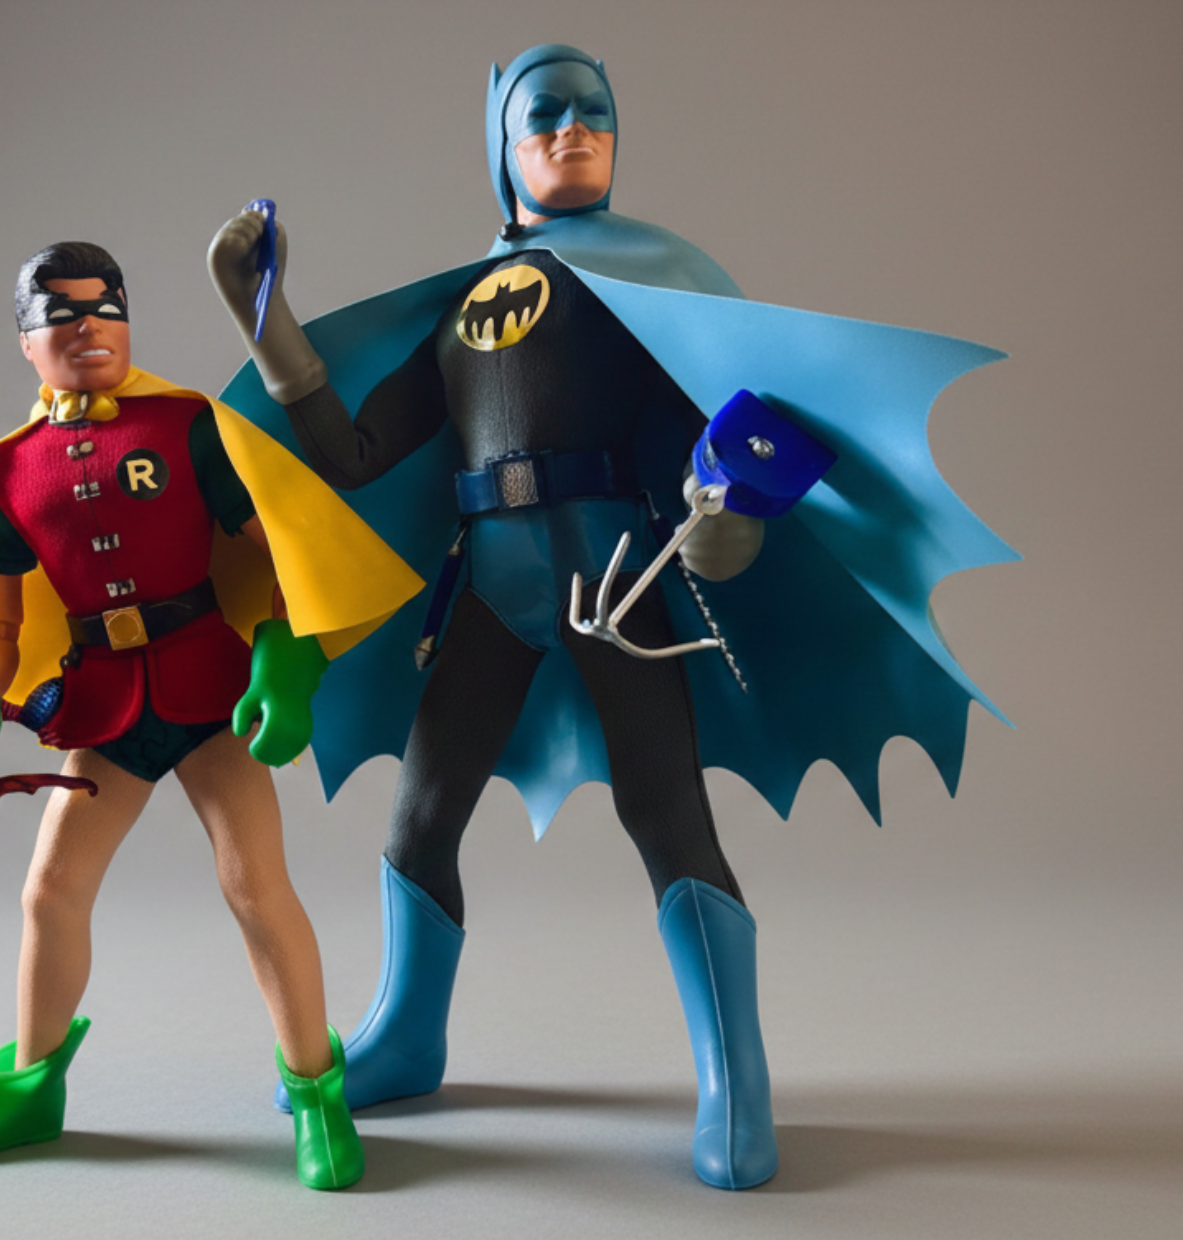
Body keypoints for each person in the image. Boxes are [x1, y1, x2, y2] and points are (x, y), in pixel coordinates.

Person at [208, 45, 1012, 1190]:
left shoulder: (659, 277)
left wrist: (731, 521)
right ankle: (407, 1033)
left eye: (595, 111)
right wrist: (269, 323)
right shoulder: (461, 307)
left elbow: (732, 418)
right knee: (421, 814)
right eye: (544, 113)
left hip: (621, 582)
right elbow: (356, 454)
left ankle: (734, 1076)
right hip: (490, 587)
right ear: (503, 145)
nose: (574, 129)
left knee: (667, 817)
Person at [0, 241, 420, 1190]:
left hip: (208, 689)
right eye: (62, 313)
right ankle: (28, 1090)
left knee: (254, 886)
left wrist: (284, 664)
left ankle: (316, 1091)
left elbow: (283, 550)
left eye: (107, 305)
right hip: (105, 702)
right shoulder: (4, 471)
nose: (90, 326)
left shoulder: (186, 425)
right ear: (26, 341)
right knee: (49, 892)